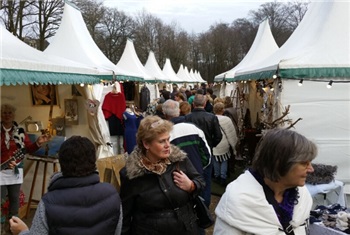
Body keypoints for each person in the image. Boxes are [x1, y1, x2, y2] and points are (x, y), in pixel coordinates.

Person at [9, 136, 122, 235]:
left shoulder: (49, 201)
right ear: (93, 161)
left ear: (61, 163)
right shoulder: (112, 194)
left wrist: (22, 231)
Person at [214, 128, 318, 235]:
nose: (311, 169)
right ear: (279, 163)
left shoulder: (303, 195)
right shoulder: (239, 200)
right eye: (304, 163)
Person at [119, 115, 205, 235]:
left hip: (185, 229)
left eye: (168, 139)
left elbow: (200, 181)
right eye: (161, 141)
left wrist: (191, 185)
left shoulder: (179, 160)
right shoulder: (132, 174)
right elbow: (126, 214)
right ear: (146, 144)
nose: (167, 145)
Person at [1, 104, 50, 233]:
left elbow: (27, 149)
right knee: (0, 202)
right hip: (1, 171)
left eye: (9, 113)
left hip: (15, 171)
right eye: (5, 113)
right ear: (1, 114)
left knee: (14, 202)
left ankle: (12, 229)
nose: (7, 115)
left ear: (14, 115)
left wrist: (38, 142)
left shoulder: (20, 131)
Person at [185, 94, 222, 208]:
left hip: (191, 152)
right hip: (206, 152)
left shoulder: (187, 117)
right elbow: (218, 136)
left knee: (193, 177)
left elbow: (218, 136)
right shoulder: (211, 117)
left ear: (193, 104)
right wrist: (210, 145)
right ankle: (204, 205)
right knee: (205, 178)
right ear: (205, 104)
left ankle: (195, 203)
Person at [162, 99, 211, 175]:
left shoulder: (164, 135)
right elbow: (206, 154)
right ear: (178, 111)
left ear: (164, 113)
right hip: (197, 174)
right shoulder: (194, 128)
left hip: (177, 177)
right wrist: (199, 167)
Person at [212, 102, 238, 186]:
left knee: (215, 160)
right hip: (224, 143)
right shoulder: (227, 120)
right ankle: (223, 177)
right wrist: (233, 145)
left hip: (214, 143)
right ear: (223, 110)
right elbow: (231, 133)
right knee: (224, 160)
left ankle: (217, 176)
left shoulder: (211, 118)